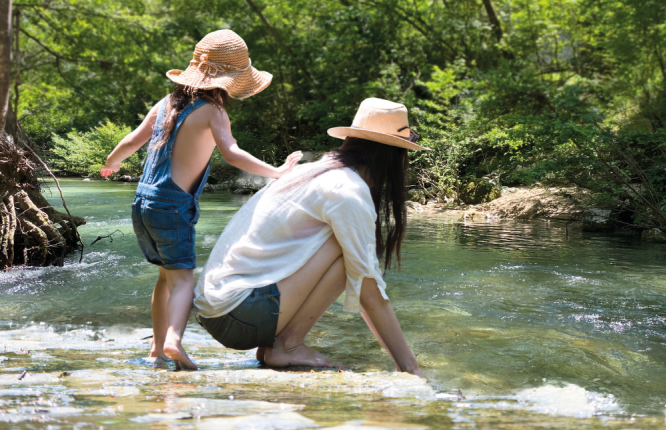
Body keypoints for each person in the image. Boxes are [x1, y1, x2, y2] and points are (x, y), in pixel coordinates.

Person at [100, 30, 298, 370]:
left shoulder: (166, 104)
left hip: (143, 203)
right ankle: (175, 341)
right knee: (183, 280)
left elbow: (132, 140)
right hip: (173, 207)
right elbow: (233, 154)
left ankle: (157, 348)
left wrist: (112, 162)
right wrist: (278, 172)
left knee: (165, 277)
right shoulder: (213, 111)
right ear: (229, 81)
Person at [194, 98, 428, 377]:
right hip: (237, 317)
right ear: (392, 155)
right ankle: (288, 345)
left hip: (216, 308)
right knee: (350, 254)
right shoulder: (347, 190)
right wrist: (410, 370)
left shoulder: (313, 171)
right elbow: (368, 289)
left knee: (352, 251)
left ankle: (280, 344)